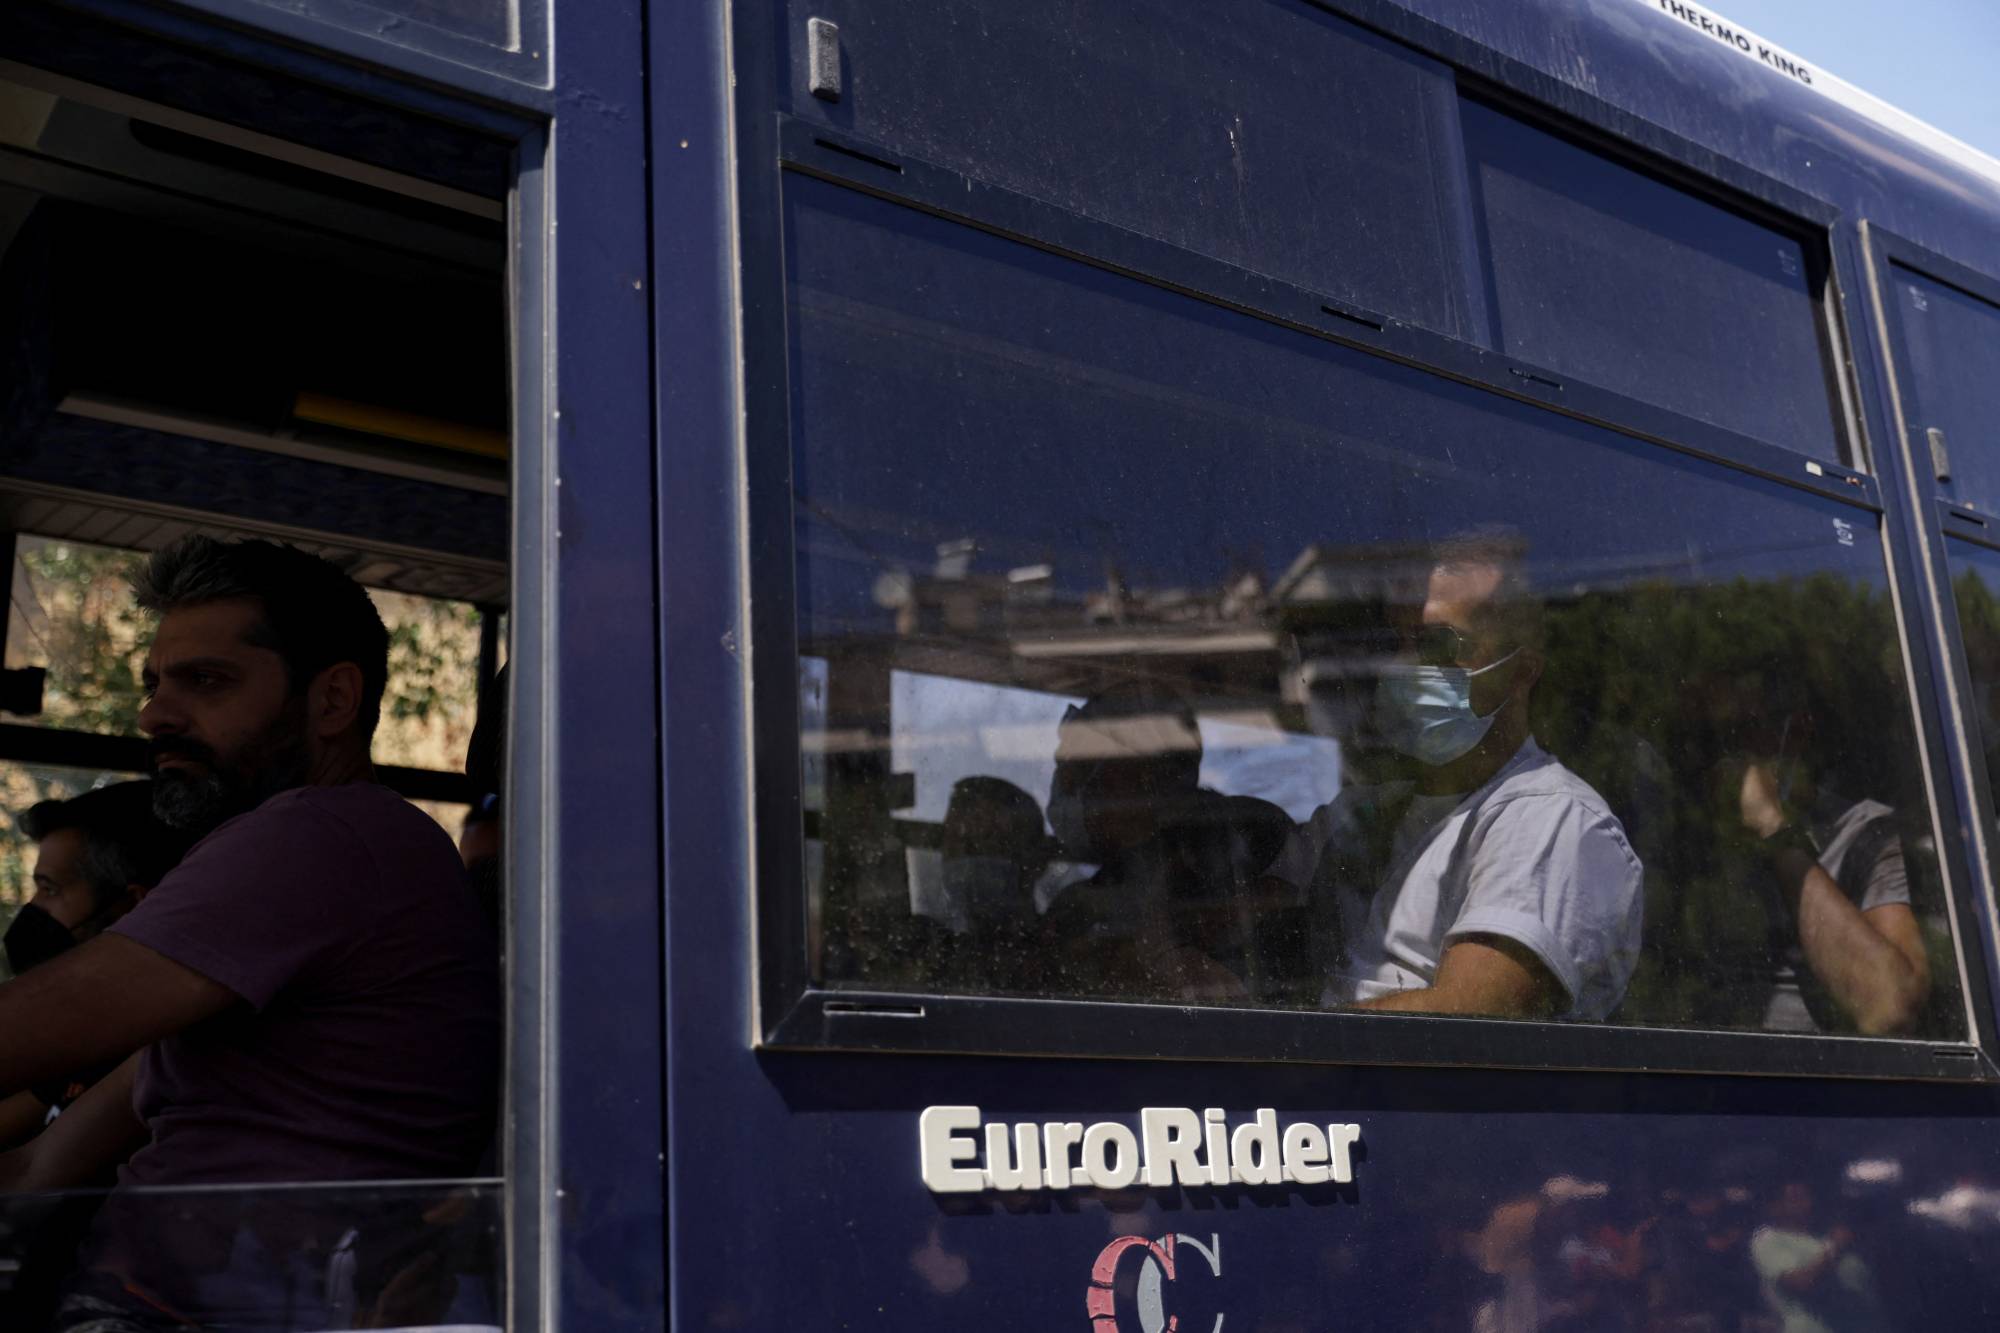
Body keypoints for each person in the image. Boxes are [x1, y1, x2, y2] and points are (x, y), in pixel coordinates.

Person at [0, 536, 500, 1328]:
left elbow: (22, 1037)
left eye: (207, 681)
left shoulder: (322, 836)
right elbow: (35, 1169)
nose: (154, 714)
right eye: (155, 684)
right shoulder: (294, 896)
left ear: (332, 700)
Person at [1268, 528, 1643, 1019]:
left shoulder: (1550, 819)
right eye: (1403, 641)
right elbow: (1258, 915)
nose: (1411, 665)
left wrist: (1286, 1031)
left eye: (1441, 642)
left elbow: (1474, 1018)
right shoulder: (1378, 810)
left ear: (1521, 672)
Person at [1037, 680, 1292, 1001]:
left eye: (1081, 767)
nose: (1066, 785)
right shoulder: (1083, 901)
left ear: (1143, 773)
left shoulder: (1240, 850)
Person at [0, 781, 194, 1145]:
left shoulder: (152, 1053)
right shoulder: (74, 1039)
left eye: (50, 889)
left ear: (131, 905)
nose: (34, 909)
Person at [1720, 702, 1929, 1036]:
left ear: (1797, 734)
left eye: (1747, 732)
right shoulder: (1691, 829)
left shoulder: (1863, 834)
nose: (1733, 756)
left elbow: (1889, 1005)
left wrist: (1773, 828)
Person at [1749, 1181, 1887, 1333]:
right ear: (1775, 1207)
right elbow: (1800, 1283)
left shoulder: (1821, 1238)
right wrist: (1835, 1247)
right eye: (1796, 1198)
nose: (1806, 1203)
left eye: (1807, 1197)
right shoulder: (1769, 1240)